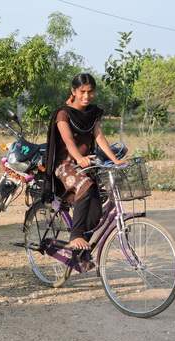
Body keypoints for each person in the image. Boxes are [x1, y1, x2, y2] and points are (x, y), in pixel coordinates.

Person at [44, 73, 125, 250]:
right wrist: (79, 158)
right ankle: (75, 236)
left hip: (86, 163)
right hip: (64, 165)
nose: (86, 96)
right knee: (85, 187)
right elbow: (68, 141)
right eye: (82, 91)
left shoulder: (92, 113)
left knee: (96, 212)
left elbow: (100, 137)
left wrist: (115, 160)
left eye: (90, 92)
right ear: (74, 91)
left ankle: (79, 252)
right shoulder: (63, 114)